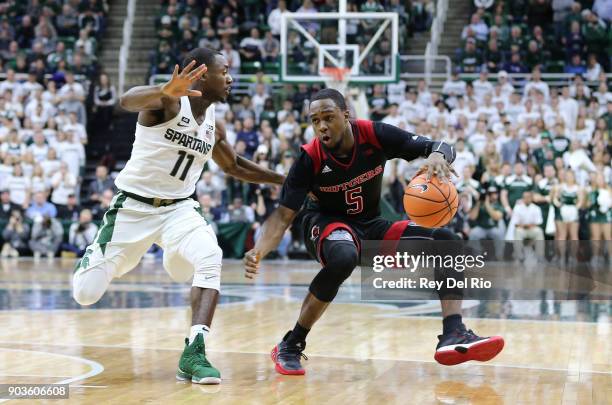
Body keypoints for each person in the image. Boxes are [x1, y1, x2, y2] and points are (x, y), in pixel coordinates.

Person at [243, 88, 504, 375]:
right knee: (344, 257)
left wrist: (438, 156)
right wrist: (259, 249)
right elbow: (282, 217)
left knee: (447, 241)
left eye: (328, 117)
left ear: (346, 115)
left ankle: (453, 332)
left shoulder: (375, 135)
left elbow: (441, 145)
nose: (322, 127)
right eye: (315, 121)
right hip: (324, 224)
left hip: (370, 225)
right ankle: (291, 344)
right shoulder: (309, 158)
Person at [71, 48, 284, 385]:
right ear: (202, 75)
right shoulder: (169, 103)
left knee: (210, 255)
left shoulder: (214, 123)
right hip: (133, 208)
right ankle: (96, 255)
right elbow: (127, 100)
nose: (230, 78)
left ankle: (194, 352)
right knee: (85, 294)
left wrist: (284, 180)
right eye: (224, 71)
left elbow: (234, 165)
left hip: (179, 208)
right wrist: (162, 90)